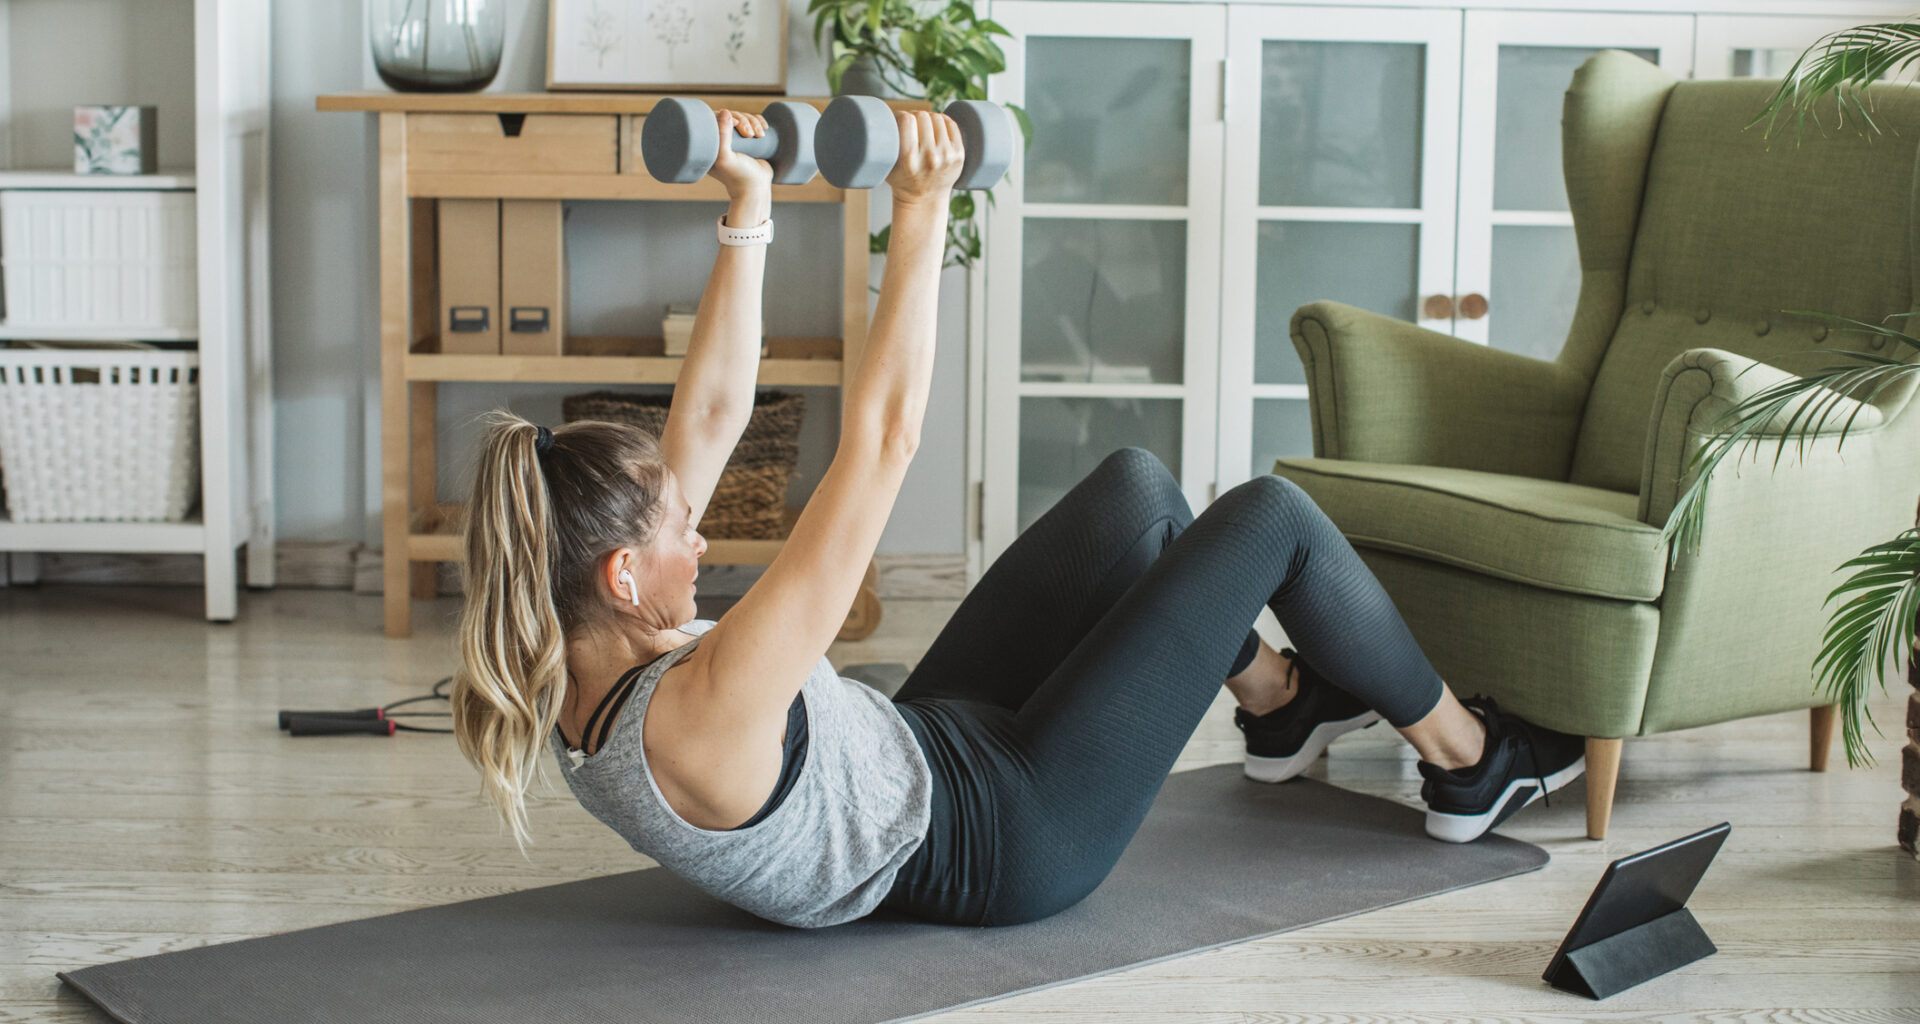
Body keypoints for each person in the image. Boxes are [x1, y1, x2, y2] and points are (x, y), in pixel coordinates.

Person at [449, 108, 1587, 931]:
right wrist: (922, 213)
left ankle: (1280, 704)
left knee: (1138, 491)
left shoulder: (573, 645)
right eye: (677, 532)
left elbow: (708, 407)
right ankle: (1470, 761)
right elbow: (884, 440)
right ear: (620, 574)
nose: (700, 535)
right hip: (1003, 838)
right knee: (1271, 519)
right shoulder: (696, 712)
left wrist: (748, 214)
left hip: (918, 746)